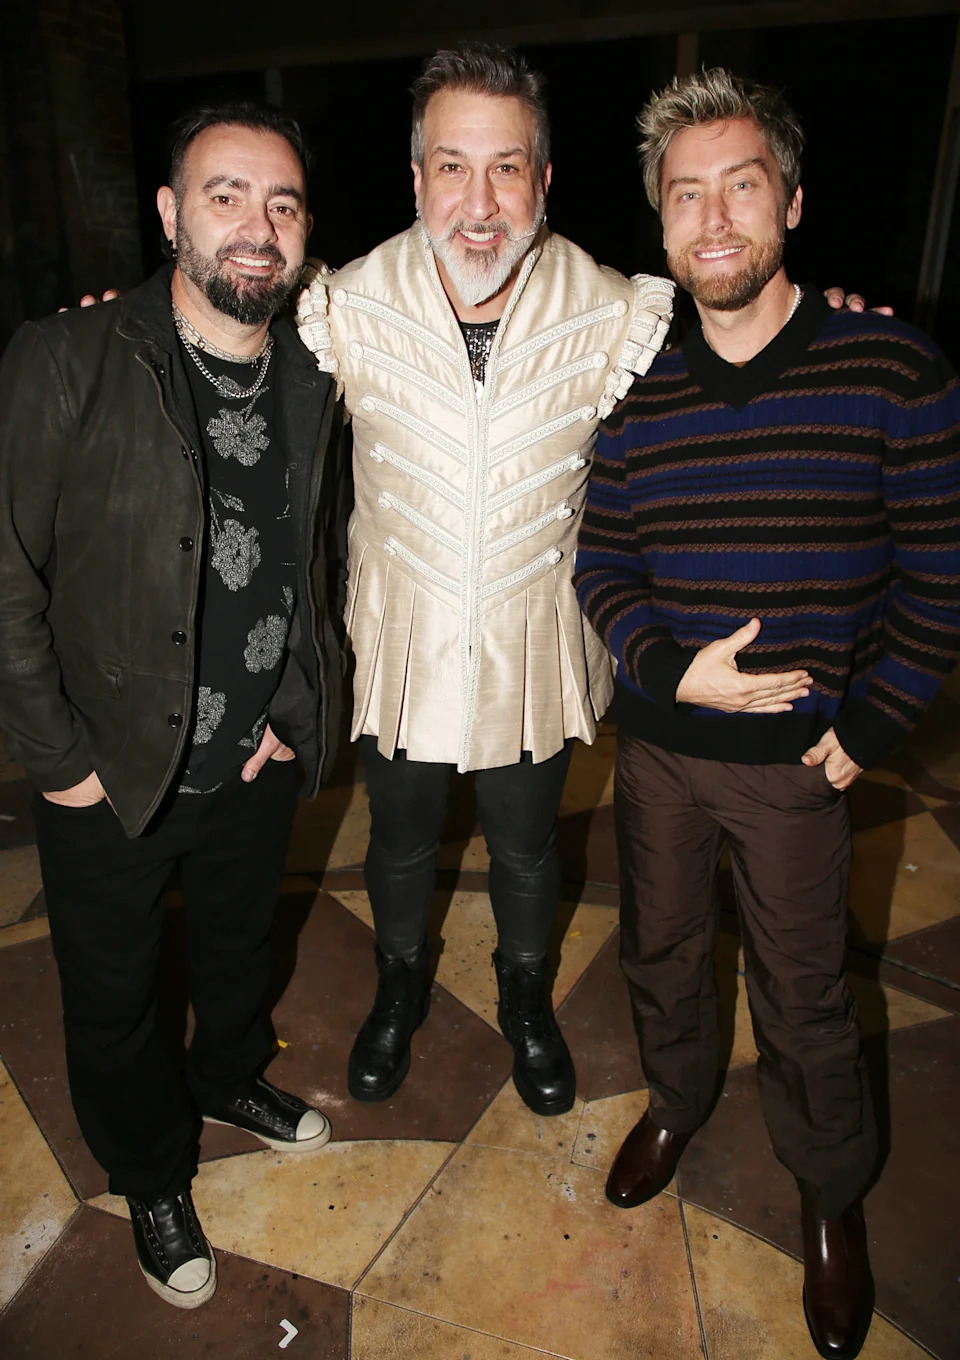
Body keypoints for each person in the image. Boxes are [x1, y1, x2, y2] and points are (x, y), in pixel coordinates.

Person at [573, 68, 960, 1360]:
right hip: (664, 761)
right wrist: (661, 666)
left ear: (790, 200)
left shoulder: (891, 368)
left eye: (741, 185)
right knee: (663, 953)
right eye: (686, 195)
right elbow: (602, 564)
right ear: (663, 223)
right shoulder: (638, 404)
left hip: (802, 769)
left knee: (805, 998)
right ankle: (678, 1101)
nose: (715, 218)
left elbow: (941, 574)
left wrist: (875, 722)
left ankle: (829, 1195)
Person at [0, 103, 347, 1309]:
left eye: (283, 204)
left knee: (242, 946)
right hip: (112, 773)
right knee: (113, 992)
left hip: (251, 756)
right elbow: (5, 569)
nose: (256, 227)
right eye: (225, 195)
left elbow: (309, 556)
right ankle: (151, 1169)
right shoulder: (71, 357)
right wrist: (58, 760)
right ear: (168, 213)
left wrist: (292, 707)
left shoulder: (312, 372)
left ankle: (231, 1072)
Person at [295, 42, 675, 1115]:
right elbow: (218, 375)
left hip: (531, 649)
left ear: (543, 180)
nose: (478, 201)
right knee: (400, 841)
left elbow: (724, 392)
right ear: (416, 177)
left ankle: (525, 998)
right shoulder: (346, 305)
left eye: (506, 167)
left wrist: (825, 327)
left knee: (524, 850)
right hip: (401, 643)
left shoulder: (612, 313)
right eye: (451, 166)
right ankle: (399, 985)